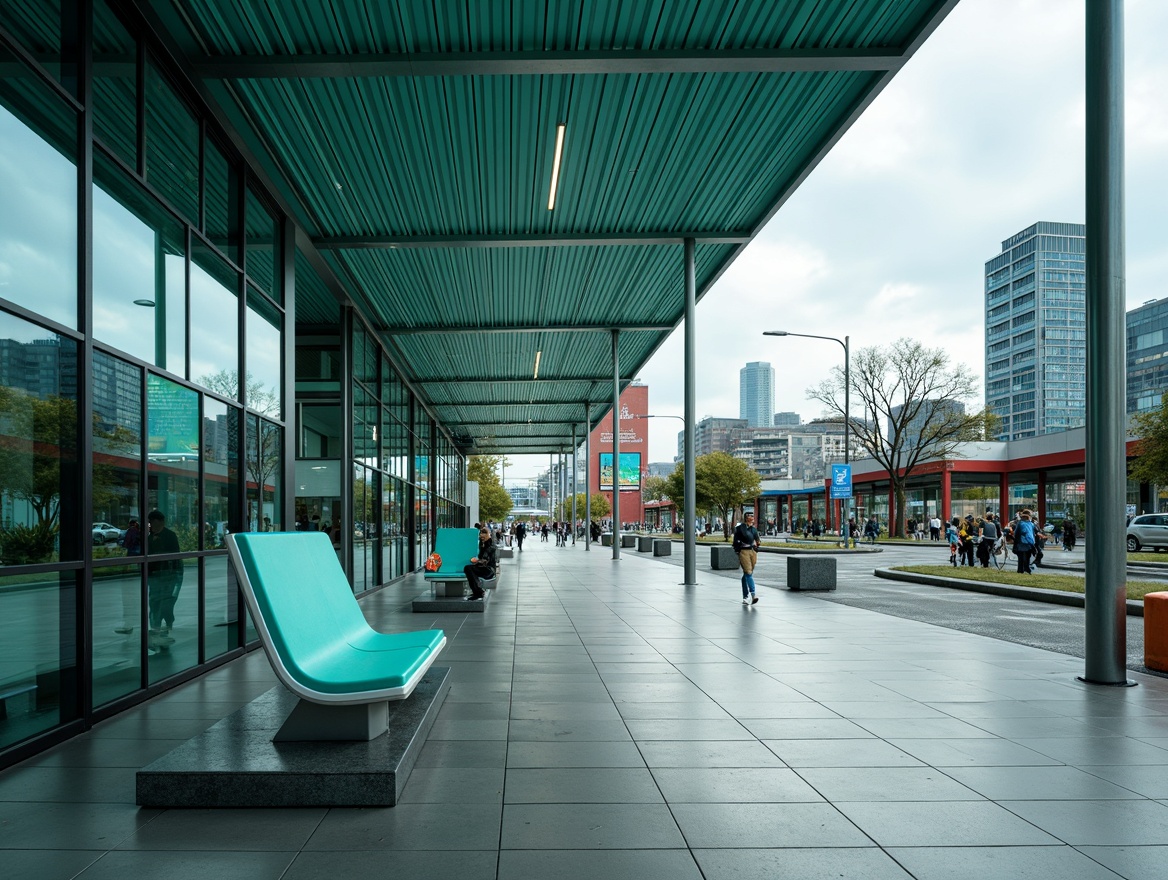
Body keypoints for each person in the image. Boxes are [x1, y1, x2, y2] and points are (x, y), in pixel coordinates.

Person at [146, 510, 182, 650]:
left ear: (160, 522)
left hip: (167, 576)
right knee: (154, 603)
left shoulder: (170, 536)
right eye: (149, 523)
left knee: (165, 604)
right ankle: (156, 630)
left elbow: (175, 556)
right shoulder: (149, 537)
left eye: (152, 522)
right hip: (154, 577)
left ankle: (164, 629)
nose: (151, 525)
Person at [733, 512, 761, 605]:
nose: (752, 517)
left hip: (752, 551)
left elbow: (758, 540)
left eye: (753, 515)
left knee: (747, 574)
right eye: (750, 516)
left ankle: (745, 596)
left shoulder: (753, 529)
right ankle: (753, 595)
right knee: (748, 573)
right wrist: (738, 550)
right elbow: (735, 541)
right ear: (746, 518)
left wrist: (757, 545)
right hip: (744, 551)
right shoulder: (740, 528)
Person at [463, 527, 497, 600]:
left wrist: (476, 561)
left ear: (487, 536)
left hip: (489, 570)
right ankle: (478, 591)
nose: (482, 539)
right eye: (481, 538)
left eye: (483, 538)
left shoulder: (490, 546)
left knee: (468, 568)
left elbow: (485, 560)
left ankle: (478, 592)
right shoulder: (483, 545)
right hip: (486, 568)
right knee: (469, 569)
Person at [1014, 509, 1038, 574]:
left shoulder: (1020, 523)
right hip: (1030, 543)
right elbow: (1034, 533)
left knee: (1020, 557)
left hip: (1021, 542)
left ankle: (1020, 570)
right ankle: (1027, 568)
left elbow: (1016, 533)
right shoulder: (1032, 524)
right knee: (1027, 556)